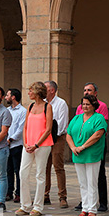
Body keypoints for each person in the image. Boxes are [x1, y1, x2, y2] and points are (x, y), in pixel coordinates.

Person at [66, 93, 107, 216]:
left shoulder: (99, 118)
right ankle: (84, 208)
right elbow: (68, 134)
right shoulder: (77, 118)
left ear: (94, 105)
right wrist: (73, 147)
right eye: (83, 104)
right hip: (78, 154)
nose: (85, 106)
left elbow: (97, 135)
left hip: (92, 154)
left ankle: (92, 210)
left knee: (92, 182)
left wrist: (82, 147)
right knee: (82, 183)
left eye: (87, 104)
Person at [17, 81, 53, 216]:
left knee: (40, 174)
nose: (28, 93)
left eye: (31, 90)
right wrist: (26, 143)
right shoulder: (30, 106)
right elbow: (25, 126)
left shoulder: (47, 107)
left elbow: (48, 129)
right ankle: (25, 205)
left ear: (37, 92)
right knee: (23, 173)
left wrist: (36, 144)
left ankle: (38, 207)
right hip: (28, 145)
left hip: (43, 145)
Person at [76, 82, 109, 212]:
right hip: (81, 146)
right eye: (85, 90)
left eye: (89, 90)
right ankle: (85, 202)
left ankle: (102, 202)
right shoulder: (80, 107)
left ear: (95, 93)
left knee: (98, 174)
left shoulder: (102, 106)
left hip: (96, 146)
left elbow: (100, 127)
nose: (86, 92)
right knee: (83, 178)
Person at [44, 80, 69, 209]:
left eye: (45, 88)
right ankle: (45, 195)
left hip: (57, 138)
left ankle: (62, 196)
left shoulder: (61, 103)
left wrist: (52, 136)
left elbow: (62, 123)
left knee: (58, 166)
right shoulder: (42, 103)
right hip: (44, 139)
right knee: (44, 167)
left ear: (52, 90)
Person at [5, 88, 26, 202]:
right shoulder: (7, 110)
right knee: (8, 170)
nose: (6, 97)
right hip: (6, 144)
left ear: (13, 97)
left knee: (18, 170)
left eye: (7, 95)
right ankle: (9, 192)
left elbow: (21, 128)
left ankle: (18, 193)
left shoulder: (23, 111)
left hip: (17, 145)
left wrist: (11, 139)